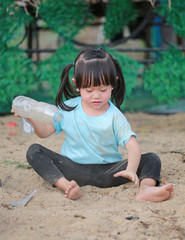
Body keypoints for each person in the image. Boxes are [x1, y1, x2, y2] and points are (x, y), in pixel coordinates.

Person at [13, 48, 173, 202]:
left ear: (113, 84)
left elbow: (132, 146)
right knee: (34, 150)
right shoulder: (68, 108)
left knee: (151, 158)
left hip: (109, 172)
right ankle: (67, 186)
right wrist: (31, 117)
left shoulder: (115, 116)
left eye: (103, 90)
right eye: (89, 90)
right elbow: (45, 132)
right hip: (72, 169)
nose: (96, 96)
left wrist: (130, 169)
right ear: (77, 84)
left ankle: (146, 189)